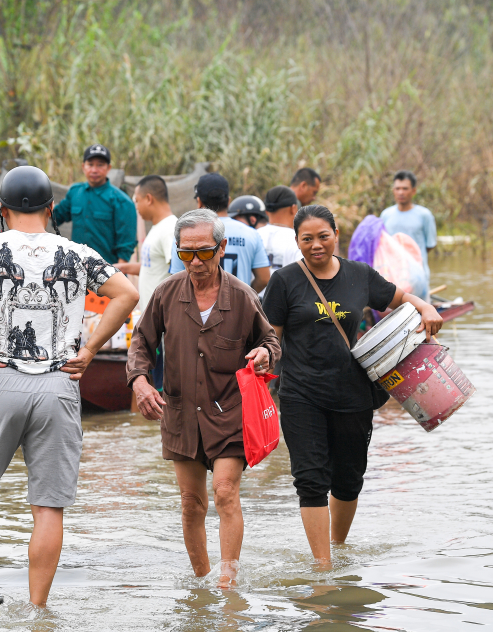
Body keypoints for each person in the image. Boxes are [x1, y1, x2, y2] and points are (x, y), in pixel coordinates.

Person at [0, 165, 138, 608]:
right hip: (59, 384)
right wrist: (88, 350)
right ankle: (38, 609)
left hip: (3, 380)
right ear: (52, 210)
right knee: (48, 506)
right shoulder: (77, 253)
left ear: (3, 211)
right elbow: (127, 293)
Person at [261, 204, 442, 568]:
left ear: (336, 234)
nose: (316, 245)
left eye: (322, 236)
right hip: (301, 394)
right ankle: (323, 566)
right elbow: (271, 337)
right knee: (310, 479)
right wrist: (264, 358)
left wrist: (425, 307)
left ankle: (337, 548)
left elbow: (399, 298)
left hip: (352, 394)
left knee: (348, 478)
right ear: (296, 241)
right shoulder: (283, 281)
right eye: (306, 239)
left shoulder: (360, 275)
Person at [127, 208, 281, 588]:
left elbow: (270, 340)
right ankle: (201, 581)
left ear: (222, 247)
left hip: (229, 409)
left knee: (225, 491)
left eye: (204, 252)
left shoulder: (242, 296)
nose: (195, 261)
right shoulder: (166, 293)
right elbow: (141, 342)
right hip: (180, 412)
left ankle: (228, 581)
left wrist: (264, 355)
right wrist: (140, 382)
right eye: (186, 253)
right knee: (190, 502)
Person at [168, 173, 271, 292]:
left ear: (199, 201)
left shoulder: (186, 235)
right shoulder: (251, 234)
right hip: (239, 308)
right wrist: (244, 296)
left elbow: (176, 280)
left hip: (198, 308)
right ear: (228, 201)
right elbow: (264, 278)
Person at [52, 144, 138, 265]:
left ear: (109, 168)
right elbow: (56, 216)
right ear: (83, 167)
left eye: (100, 165)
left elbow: (126, 243)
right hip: (78, 270)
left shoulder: (121, 200)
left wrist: (118, 272)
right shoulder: (75, 192)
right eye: (90, 164)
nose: (94, 170)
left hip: (107, 270)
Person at [114, 175, 178, 314]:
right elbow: (153, 267)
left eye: (137, 201)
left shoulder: (170, 230)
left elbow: (180, 274)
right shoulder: (157, 228)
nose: (136, 207)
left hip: (164, 319)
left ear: (149, 199)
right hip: (152, 320)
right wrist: (121, 268)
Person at [379, 170, 437, 282]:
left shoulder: (424, 215)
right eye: (397, 188)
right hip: (392, 275)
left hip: (418, 276)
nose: (401, 192)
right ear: (393, 191)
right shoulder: (386, 215)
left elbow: (430, 244)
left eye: (405, 189)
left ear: (413, 191)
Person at [258, 186, 303, 274]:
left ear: (266, 211)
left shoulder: (255, 235)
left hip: (252, 288)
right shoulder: (298, 239)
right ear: (293, 209)